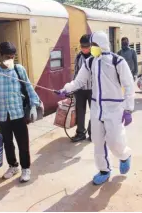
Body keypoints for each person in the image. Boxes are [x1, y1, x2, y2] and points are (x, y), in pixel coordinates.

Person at [56, 31, 134, 185]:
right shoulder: (90, 62)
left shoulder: (118, 62)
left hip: (114, 107)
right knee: (98, 142)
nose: (92, 48)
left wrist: (128, 109)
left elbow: (129, 85)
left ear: (102, 45)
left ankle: (124, 155)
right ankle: (104, 170)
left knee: (114, 141)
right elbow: (79, 81)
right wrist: (66, 89)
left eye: (94, 45)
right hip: (96, 108)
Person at [0, 41, 40, 183]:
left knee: (23, 143)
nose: (10, 60)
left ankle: (25, 169)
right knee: (8, 144)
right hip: (3, 116)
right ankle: (13, 166)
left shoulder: (19, 70)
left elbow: (28, 87)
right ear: (0, 56)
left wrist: (34, 105)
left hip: (18, 114)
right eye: (7, 57)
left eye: (12, 57)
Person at [72, 34, 92, 142]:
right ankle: (80, 132)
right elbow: (75, 73)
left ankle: (92, 132)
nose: (84, 48)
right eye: (82, 46)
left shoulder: (95, 57)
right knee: (80, 111)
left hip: (93, 89)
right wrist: (73, 88)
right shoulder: (78, 57)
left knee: (94, 112)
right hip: (80, 90)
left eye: (86, 46)